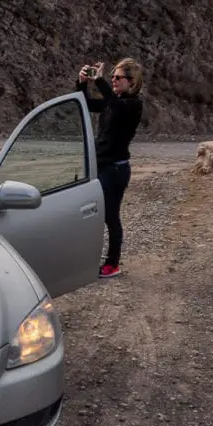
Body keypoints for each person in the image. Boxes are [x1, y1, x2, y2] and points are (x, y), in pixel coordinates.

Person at [76, 58, 144, 278]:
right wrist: (82, 82)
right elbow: (86, 104)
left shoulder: (133, 105)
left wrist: (101, 81)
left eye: (118, 77)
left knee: (109, 217)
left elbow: (115, 107)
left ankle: (112, 263)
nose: (113, 81)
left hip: (115, 169)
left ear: (132, 82)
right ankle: (88, 258)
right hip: (102, 165)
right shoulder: (113, 100)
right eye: (112, 77)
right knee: (94, 213)